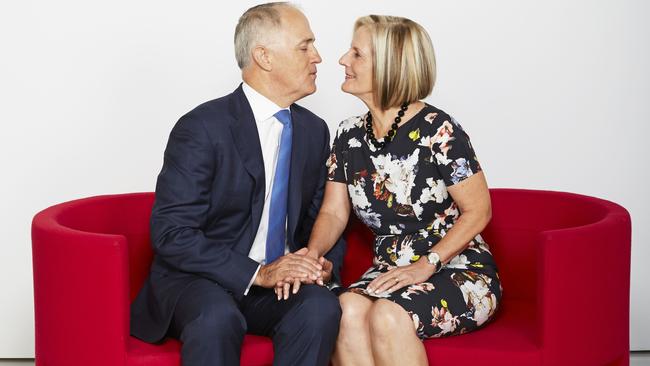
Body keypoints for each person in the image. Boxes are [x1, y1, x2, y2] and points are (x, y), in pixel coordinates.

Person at [130, 3, 345, 366]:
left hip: (275, 282)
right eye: (304, 46)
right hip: (200, 278)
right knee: (217, 318)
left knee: (320, 307)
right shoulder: (202, 127)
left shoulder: (313, 130)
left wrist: (319, 263)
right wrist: (258, 273)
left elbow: (318, 219)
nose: (318, 57)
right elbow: (172, 233)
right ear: (264, 57)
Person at [286, 15, 502, 365]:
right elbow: (333, 212)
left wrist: (426, 264)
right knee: (345, 309)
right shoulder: (348, 135)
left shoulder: (439, 130)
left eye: (357, 54)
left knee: (387, 315)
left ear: (388, 66)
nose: (342, 60)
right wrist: (311, 255)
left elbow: (479, 211)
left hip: (456, 269)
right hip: (390, 273)